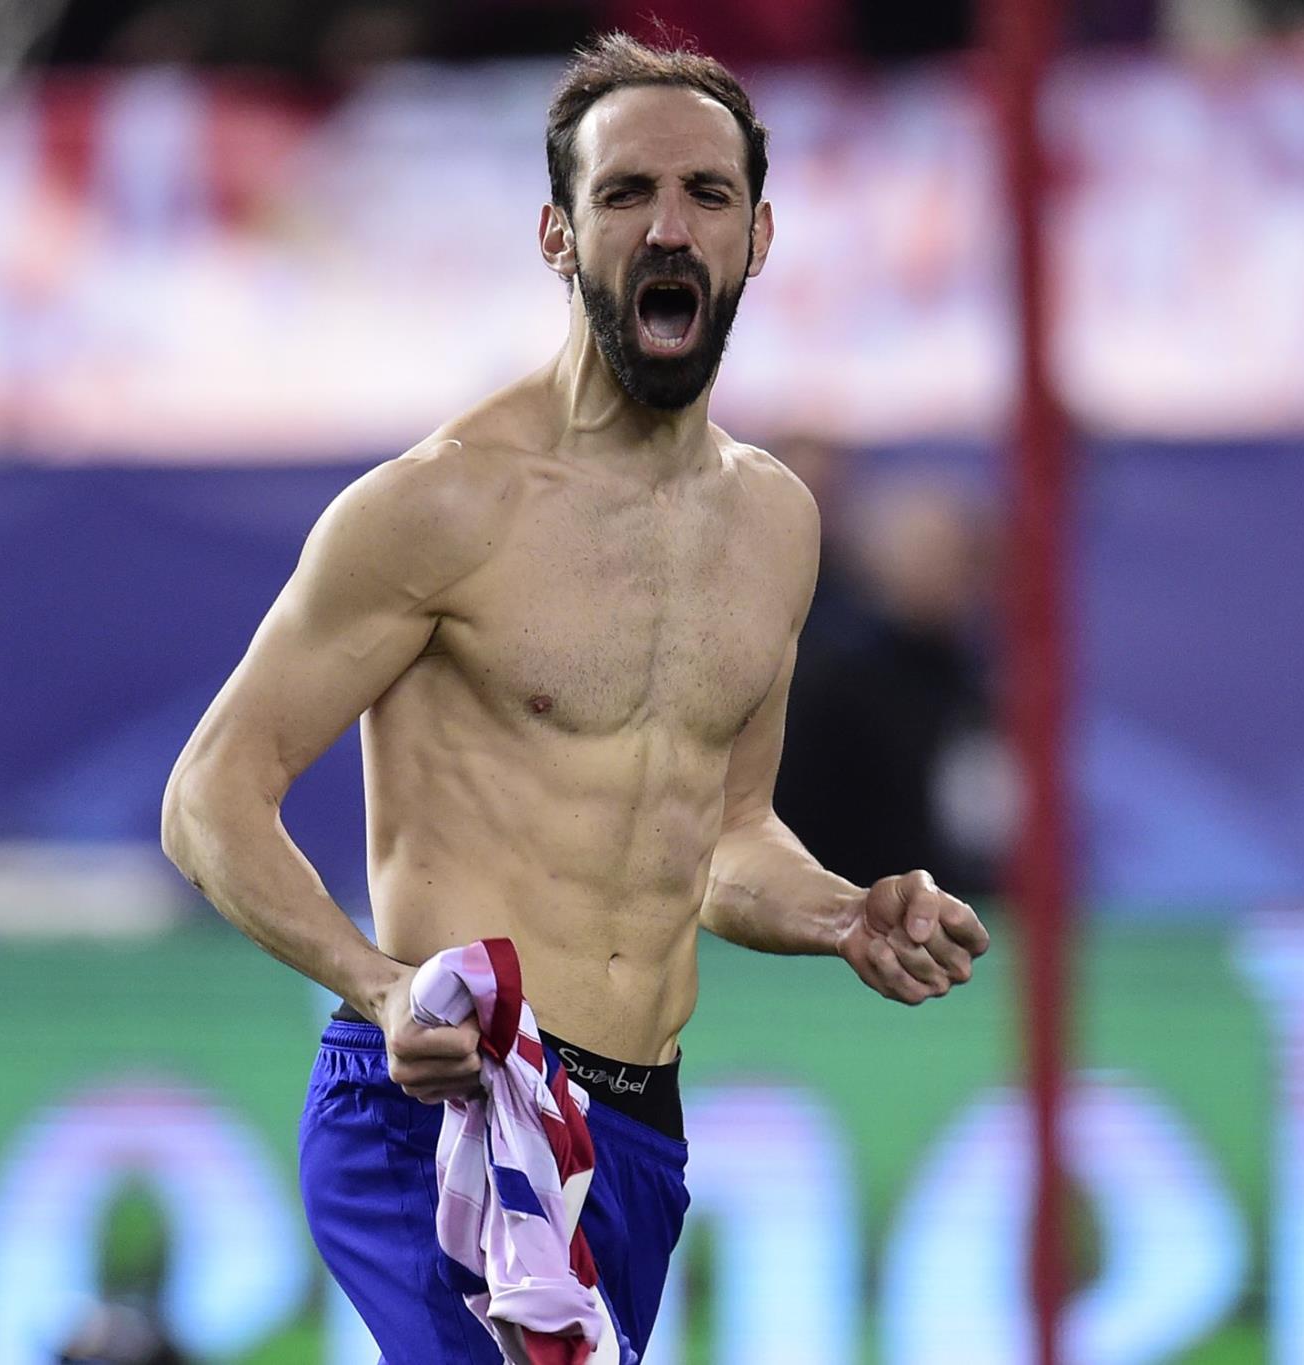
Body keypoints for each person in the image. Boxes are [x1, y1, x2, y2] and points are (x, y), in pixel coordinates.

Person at [159, 32, 990, 1365]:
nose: (669, 227)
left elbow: (725, 837)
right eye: (625, 194)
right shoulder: (440, 505)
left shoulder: (776, 524)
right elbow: (210, 797)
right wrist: (379, 988)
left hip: (636, 1141)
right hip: (442, 1111)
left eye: (707, 194)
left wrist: (845, 911)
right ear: (558, 234)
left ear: (759, 236)